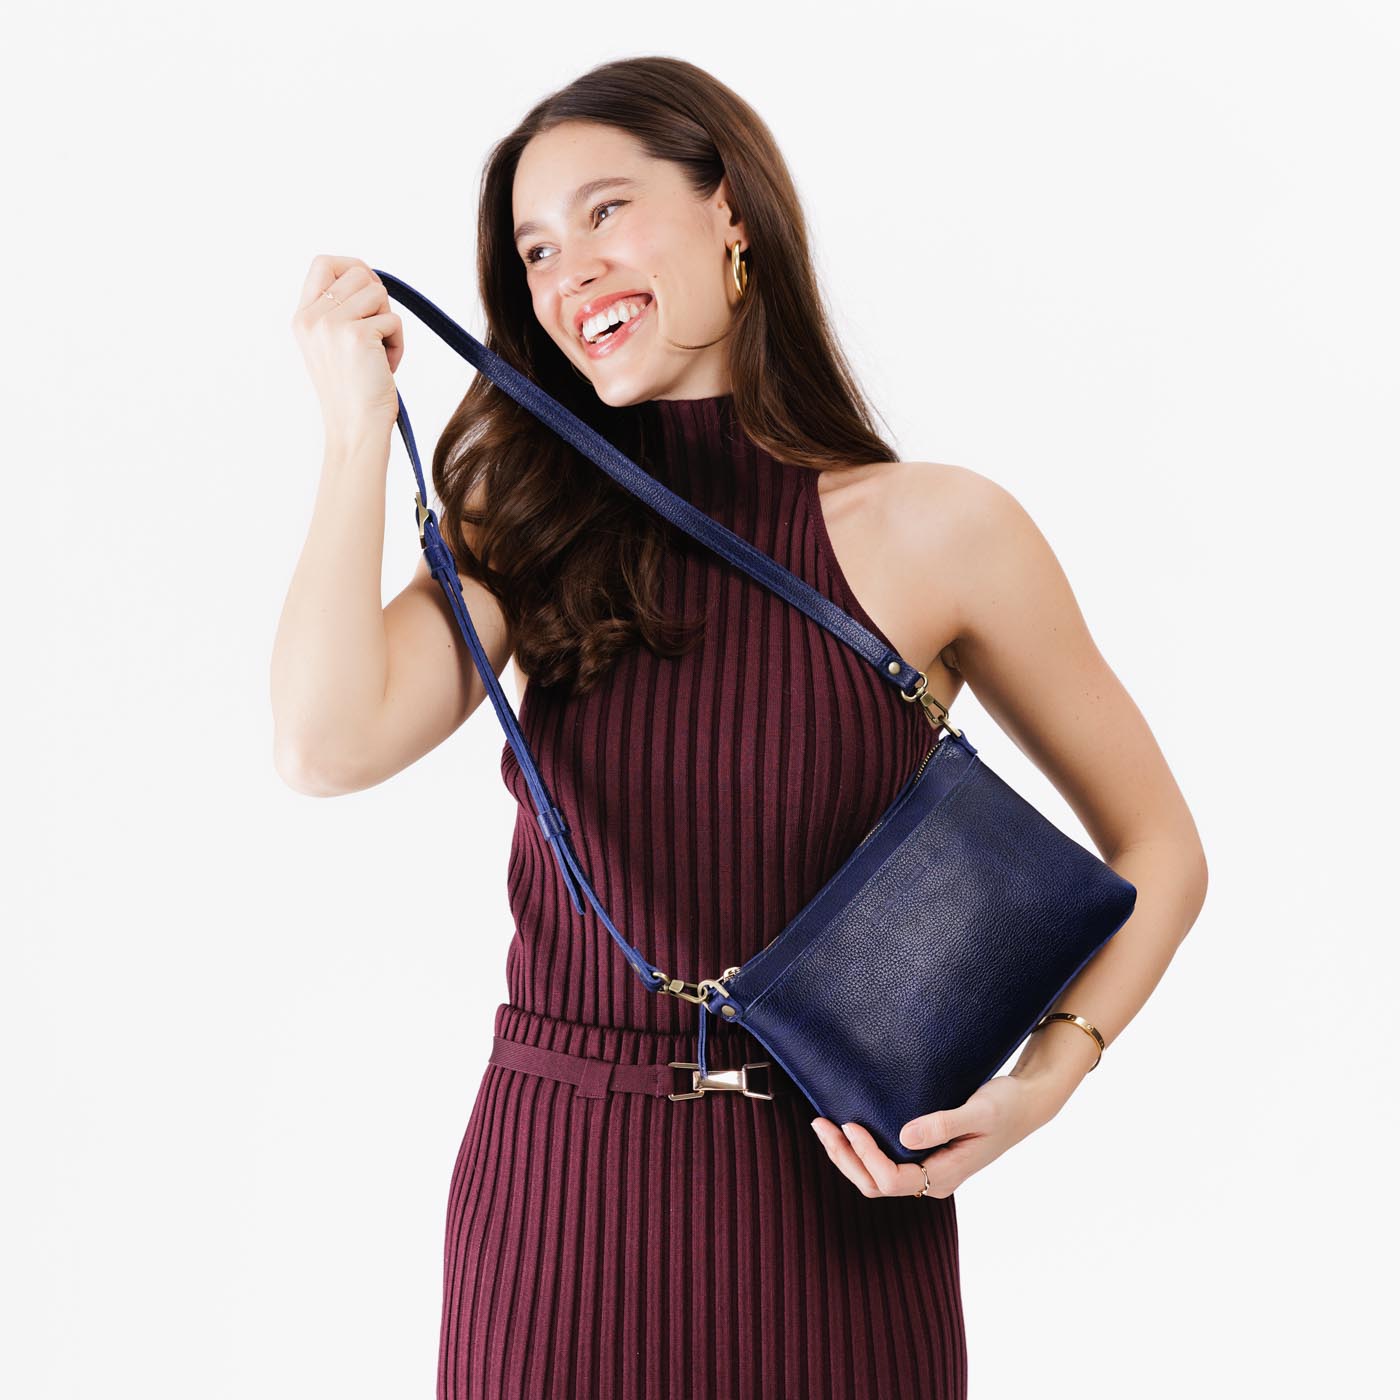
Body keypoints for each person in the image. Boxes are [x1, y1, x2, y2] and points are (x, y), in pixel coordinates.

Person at [273, 55, 1208, 1400]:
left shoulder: (937, 530)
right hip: (556, 1213)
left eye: (606, 210)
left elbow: (1160, 847)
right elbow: (323, 745)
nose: (570, 271)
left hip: (840, 1202)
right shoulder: (525, 523)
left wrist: (1042, 1085)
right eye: (536, 250)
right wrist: (356, 437)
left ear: (731, 212)